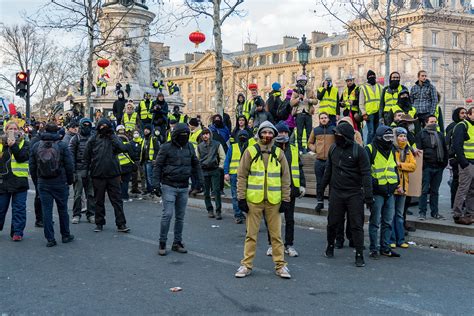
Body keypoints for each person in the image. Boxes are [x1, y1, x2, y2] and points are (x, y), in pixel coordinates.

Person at [234, 121, 292, 279]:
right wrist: (241, 198)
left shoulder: (279, 153)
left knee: (276, 236)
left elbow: (286, 178)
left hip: (274, 201)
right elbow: (241, 176)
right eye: (264, 132)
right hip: (254, 201)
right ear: (259, 134)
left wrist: (286, 200)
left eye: (270, 133)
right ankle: (246, 265)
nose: (267, 135)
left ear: (274, 134)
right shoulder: (250, 151)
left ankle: (281, 266)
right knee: (250, 235)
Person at [322, 122, 372, 267]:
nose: (335, 137)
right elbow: (328, 171)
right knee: (332, 223)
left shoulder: (359, 151)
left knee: (356, 225)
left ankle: (359, 255)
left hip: (354, 194)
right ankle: (330, 246)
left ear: (346, 137)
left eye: (338, 135)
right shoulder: (333, 149)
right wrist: (321, 190)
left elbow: (366, 174)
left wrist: (368, 196)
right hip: (336, 193)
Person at [153, 123, 203, 256]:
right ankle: (162, 242)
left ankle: (177, 242)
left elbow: (196, 164)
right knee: (167, 214)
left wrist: (200, 181)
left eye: (186, 135)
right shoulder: (166, 147)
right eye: (182, 135)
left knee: (180, 217)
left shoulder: (190, 147)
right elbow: (158, 166)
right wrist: (155, 184)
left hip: (183, 186)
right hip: (168, 185)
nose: (184, 137)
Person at [30, 122, 74, 247]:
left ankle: (50, 239)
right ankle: (65, 235)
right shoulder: (62, 145)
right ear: (57, 132)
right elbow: (69, 165)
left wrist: (37, 181)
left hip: (43, 183)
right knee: (62, 210)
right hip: (60, 182)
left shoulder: (36, 145)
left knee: (46, 211)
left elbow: (32, 167)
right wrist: (69, 181)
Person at [265, 121, 305, 258]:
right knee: (273, 218)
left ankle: (289, 245)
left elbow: (299, 168)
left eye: (286, 132)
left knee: (289, 219)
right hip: (274, 189)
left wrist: (302, 185)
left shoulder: (293, 149)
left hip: (290, 189)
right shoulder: (271, 149)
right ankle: (272, 245)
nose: (283, 135)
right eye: (281, 132)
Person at [84, 118, 131, 233]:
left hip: (113, 175)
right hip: (97, 175)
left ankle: (121, 224)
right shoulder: (93, 139)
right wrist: (87, 173)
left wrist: (112, 136)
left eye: (106, 126)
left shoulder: (113, 138)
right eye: (102, 126)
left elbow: (123, 148)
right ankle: (99, 223)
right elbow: (86, 156)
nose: (103, 128)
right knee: (98, 201)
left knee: (117, 201)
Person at [366, 126, 400, 259]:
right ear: (379, 137)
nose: (389, 140)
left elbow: (393, 167)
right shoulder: (369, 149)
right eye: (386, 138)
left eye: (391, 137)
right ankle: (374, 249)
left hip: (390, 191)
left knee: (387, 221)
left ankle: (385, 248)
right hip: (377, 192)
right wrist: (372, 187)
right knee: (375, 222)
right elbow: (365, 171)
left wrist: (395, 183)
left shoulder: (391, 149)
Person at [0, 121, 29, 241]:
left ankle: (17, 232)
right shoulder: (1, 144)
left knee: (19, 209)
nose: (13, 131)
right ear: (5, 130)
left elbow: (22, 157)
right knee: (1, 209)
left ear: (19, 130)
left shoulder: (25, 143)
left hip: (19, 182)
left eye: (15, 129)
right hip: (3, 181)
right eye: (10, 129)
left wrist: (13, 145)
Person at [416, 115, 448, 220]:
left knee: (435, 191)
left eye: (435, 121)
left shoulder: (440, 135)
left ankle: (435, 213)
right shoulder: (421, 134)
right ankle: (422, 213)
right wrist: (423, 165)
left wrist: (444, 164)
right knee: (424, 191)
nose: (434, 123)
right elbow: (419, 151)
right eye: (431, 121)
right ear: (426, 123)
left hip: (438, 167)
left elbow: (445, 149)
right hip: (427, 167)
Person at [390, 127, 416, 249]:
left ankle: (400, 240)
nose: (403, 138)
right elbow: (392, 167)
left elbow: (413, 166)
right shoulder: (392, 149)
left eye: (405, 136)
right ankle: (392, 239)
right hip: (394, 187)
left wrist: (401, 165)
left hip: (404, 188)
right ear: (396, 137)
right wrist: (398, 185)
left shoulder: (407, 150)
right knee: (391, 214)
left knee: (400, 215)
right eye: (401, 136)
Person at [69, 118, 96, 224]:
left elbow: (96, 154)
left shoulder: (93, 138)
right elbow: (71, 156)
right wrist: (73, 171)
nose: (86, 127)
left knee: (91, 194)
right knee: (77, 195)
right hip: (79, 169)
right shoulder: (75, 139)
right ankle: (76, 214)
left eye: (88, 125)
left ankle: (91, 214)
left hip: (90, 169)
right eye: (84, 125)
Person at [307, 112, 335, 213]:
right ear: (319, 120)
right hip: (319, 161)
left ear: (328, 119)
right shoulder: (315, 130)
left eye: (325, 118)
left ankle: (332, 203)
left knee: (332, 183)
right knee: (320, 183)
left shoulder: (333, 130)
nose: (323, 119)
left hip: (330, 161)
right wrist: (315, 149)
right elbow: (309, 143)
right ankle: (320, 202)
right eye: (321, 118)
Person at [196, 127, 225, 219]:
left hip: (215, 170)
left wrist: (220, 167)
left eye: (207, 133)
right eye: (204, 134)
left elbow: (222, 156)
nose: (205, 135)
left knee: (216, 191)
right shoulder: (199, 146)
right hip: (204, 171)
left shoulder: (217, 144)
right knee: (206, 193)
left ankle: (218, 211)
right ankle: (210, 210)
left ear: (210, 135)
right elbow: (196, 159)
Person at [451, 107, 474, 224]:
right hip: (467, 163)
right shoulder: (462, 126)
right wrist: (464, 163)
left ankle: (470, 214)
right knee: (463, 189)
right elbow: (457, 145)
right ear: (469, 115)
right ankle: (457, 214)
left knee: (472, 190)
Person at [224, 130, 252, 224]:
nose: (242, 137)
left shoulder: (251, 148)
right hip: (234, 174)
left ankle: (246, 214)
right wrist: (226, 173)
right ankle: (238, 215)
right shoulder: (233, 147)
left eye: (244, 136)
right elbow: (227, 160)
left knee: (247, 196)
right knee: (235, 196)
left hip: (248, 175)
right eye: (241, 135)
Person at [445, 107, 467, 208]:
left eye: (465, 113)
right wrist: (451, 156)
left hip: (464, 157)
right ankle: (455, 203)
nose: (464, 115)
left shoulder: (465, 125)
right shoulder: (453, 126)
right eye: (462, 113)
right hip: (455, 158)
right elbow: (448, 142)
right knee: (456, 181)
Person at [291, 76, 316, 153]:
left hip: (308, 113)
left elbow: (316, 101)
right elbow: (291, 103)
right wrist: (298, 98)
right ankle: (300, 149)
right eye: (300, 81)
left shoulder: (310, 90)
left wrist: (309, 100)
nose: (302, 83)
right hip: (299, 114)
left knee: (309, 132)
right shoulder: (295, 92)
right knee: (299, 133)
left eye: (303, 81)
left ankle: (309, 149)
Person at [360, 70, 383, 144]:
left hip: (378, 112)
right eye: (370, 77)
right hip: (369, 113)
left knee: (377, 131)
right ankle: (368, 147)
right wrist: (364, 113)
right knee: (371, 131)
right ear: (367, 78)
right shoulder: (363, 87)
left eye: (373, 76)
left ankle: (375, 146)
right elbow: (361, 102)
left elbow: (383, 100)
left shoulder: (380, 87)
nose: (372, 78)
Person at [117, 127, 139, 202]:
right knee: (125, 182)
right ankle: (125, 197)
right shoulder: (128, 145)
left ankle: (119, 197)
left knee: (119, 182)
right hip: (127, 166)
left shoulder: (115, 145)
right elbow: (132, 155)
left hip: (118, 167)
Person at [141, 124, 160, 199]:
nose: (145, 130)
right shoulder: (144, 138)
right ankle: (149, 190)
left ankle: (153, 190)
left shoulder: (153, 138)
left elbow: (157, 150)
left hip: (150, 161)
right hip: (145, 161)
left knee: (150, 177)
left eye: (147, 129)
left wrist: (155, 159)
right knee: (146, 176)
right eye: (145, 129)